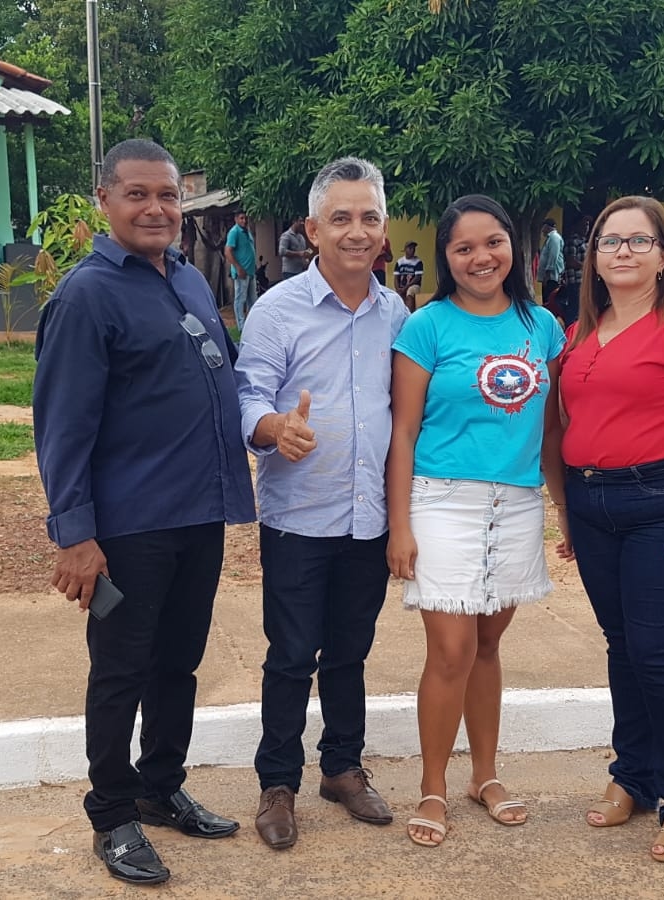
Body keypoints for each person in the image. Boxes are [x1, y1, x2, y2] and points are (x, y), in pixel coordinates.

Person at [33, 139, 257, 887]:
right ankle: (113, 811)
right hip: (128, 525)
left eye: (167, 194)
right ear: (105, 201)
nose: (157, 207)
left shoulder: (189, 280)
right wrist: (75, 535)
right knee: (120, 671)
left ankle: (160, 786)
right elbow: (63, 425)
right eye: (137, 194)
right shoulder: (86, 295)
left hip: (198, 515)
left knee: (178, 664)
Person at [545, 196, 664, 864]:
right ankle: (634, 774)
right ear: (592, 258)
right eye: (608, 241)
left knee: (655, 649)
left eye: (637, 241)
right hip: (594, 502)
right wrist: (570, 512)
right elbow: (567, 427)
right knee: (621, 644)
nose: (621, 252)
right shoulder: (579, 333)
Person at [235, 157, 410, 851]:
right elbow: (248, 396)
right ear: (313, 230)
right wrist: (276, 429)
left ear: (384, 228)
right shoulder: (278, 310)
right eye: (340, 219)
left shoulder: (396, 312)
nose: (356, 231)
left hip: (367, 517)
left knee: (349, 651)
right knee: (289, 655)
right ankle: (277, 782)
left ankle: (341, 767)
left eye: (369, 217)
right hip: (298, 518)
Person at [387, 194, 566, 848]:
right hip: (442, 501)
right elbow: (403, 432)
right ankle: (433, 785)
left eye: (492, 242)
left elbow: (550, 430)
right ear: (446, 258)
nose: (479, 257)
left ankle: (483, 776)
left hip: (515, 503)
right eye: (463, 248)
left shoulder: (541, 325)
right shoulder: (426, 326)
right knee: (451, 650)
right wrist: (399, 525)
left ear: (513, 246)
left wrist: (562, 512)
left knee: (489, 647)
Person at [226, 210, 258, 327]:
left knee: (253, 300)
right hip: (241, 272)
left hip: (250, 271)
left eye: (245, 218)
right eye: (241, 218)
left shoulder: (247, 231)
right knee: (241, 299)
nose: (244, 221)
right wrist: (238, 268)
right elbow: (228, 251)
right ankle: (241, 326)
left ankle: (252, 324)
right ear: (236, 219)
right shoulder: (234, 232)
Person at [538, 218, 569, 326]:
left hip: (552, 277)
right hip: (549, 276)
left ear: (547, 226)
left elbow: (553, 257)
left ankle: (552, 323)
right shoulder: (550, 238)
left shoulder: (554, 238)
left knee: (550, 301)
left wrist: (547, 273)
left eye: (543, 227)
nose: (542, 230)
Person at [278, 216, 312, 283]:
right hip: (290, 272)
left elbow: (304, 252)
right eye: (300, 221)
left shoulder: (301, 237)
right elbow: (281, 251)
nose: (302, 223)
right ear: (294, 222)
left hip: (301, 271)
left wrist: (307, 257)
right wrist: (298, 253)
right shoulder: (286, 235)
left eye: (302, 221)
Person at [394, 240, 425, 310]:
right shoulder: (399, 262)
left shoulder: (418, 262)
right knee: (395, 296)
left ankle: (409, 315)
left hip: (414, 285)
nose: (412, 250)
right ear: (405, 250)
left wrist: (406, 287)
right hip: (402, 286)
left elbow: (417, 277)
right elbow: (396, 277)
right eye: (410, 248)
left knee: (410, 292)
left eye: (414, 248)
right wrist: (397, 288)